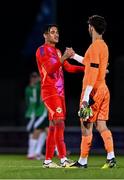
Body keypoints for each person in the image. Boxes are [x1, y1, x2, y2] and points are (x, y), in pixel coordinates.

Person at [68, 15, 116, 169]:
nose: (88, 28)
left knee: (85, 125)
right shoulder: (103, 45)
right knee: (101, 125)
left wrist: (86, 97)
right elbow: (90, 63)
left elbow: (93, 71)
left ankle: (82, 161)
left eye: (89, 25)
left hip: (94, 91)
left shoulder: (95, 46)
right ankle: (111, 158)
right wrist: (73, 55)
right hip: (103, 89)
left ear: (92, 27)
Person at [35, 24, 84, 168]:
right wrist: (64, 57)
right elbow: (50, 70)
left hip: (60, 93)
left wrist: (88, 68)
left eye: (57, 32)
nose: (56, 35)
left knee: (53, 125)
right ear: (45, 35)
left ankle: (48, 161)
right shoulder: (42, 50)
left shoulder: (56, 51)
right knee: (59, 123)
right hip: (50, 92)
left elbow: (68, 67)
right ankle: (63, 159)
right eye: (52, 32)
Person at [25, 72, 50, 160]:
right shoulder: (31, 88)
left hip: (39, 112)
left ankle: (36, 153)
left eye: (36, 77)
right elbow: (29, 101)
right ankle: (32, 153)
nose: (34, 78)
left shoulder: (38, 86)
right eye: (33, 77)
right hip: (36, 113)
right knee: (35, 131)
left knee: (43, 132)